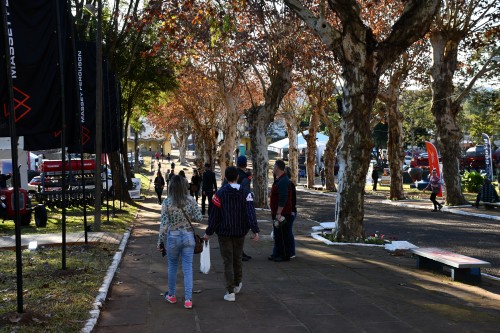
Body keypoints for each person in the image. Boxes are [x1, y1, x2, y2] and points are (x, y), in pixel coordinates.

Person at [203, 166, 259, 302]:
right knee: (238, 258)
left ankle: (230, 291)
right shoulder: (246, 194)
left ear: (226, 178)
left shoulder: (220, 195)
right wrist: (255, 230)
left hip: (224, 233)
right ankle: (238, 284)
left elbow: (214, 216)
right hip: (240, 232)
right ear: (238, 177)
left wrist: (208, 232)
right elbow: (250, 213)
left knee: (228, 261)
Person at [157, 175, 202, 309]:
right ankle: (188, 300)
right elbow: (199, 218)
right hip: (188, 236)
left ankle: (171, 295)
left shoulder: (167, 203)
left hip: (173, 237)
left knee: (172, 267)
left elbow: (164, 225)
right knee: (188, 268)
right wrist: (188, 215)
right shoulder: (191, 200)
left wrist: (160, 241)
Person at [268, 160, 293, 262]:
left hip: (282, 213)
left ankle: (284, 255)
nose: (273, 168)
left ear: (277, 168)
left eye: (274, 167)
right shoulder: (280, 180)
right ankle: (278, 253)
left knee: (283, 234)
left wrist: (279, 213)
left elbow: (283, 198)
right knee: (278, 234)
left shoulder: (283, 181)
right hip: (277, 212)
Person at [285, 167, 297, 258]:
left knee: (288, 232)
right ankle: (288, 250)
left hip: (290, 211)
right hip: (289, 211)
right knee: (287, 232)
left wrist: (291, 211)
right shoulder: (288, 184)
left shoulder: (289, 184)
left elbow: (292, 200)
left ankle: (291, 251)